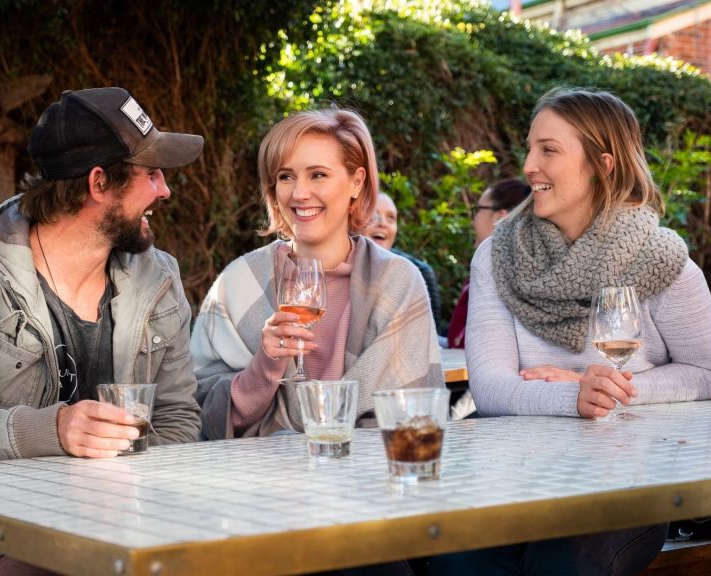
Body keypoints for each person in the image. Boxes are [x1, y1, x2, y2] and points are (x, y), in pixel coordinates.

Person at [0, 87, 204, 576]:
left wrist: (119, 503)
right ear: (100, 183)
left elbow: (180, 421)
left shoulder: (159, 281)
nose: (165, 191)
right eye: (153, 174)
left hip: (126, 527)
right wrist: (52, 430)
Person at [431, 88, 711, 575]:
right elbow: (489, 387)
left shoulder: (663, 261)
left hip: (628, 480)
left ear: (602, 164)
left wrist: (613, 391)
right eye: (530, 148)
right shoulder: (497, 256)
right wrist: (574, 397)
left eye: (549, 150)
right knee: (455, 566)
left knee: (560, 567)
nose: (529, 165)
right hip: (517, 475)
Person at [191, 107, 443, 441]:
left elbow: (413, 413)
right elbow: (200, 418)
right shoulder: (237, 283)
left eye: (318, 175)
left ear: (356, 182)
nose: (299, 193)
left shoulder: (397, 282)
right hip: (259, 482)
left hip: (369, 479)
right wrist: (265, 365)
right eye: (285, 176)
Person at [445, 178, 530, 349]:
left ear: (499, 217)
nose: (473, 218)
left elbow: (467, 345)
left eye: (478, 209)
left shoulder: (495, 275)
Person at [364, 192, 442, 330]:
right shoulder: (336, 268)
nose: (382, 223)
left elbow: (431, 335)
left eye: (391, 218)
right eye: (373, 216)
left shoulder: (420, 272)